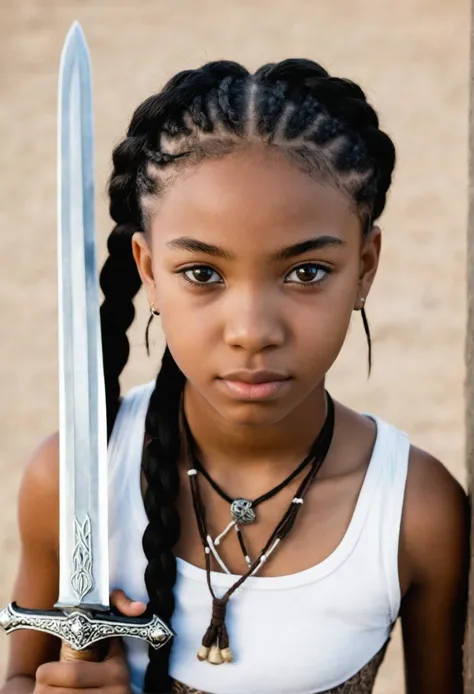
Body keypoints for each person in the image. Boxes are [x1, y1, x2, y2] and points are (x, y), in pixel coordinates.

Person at [0, 59, 469, 694]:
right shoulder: (71, 480)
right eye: (202, 273)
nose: (251, 329)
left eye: (305, 271)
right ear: (148, 270)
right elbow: (22, 674)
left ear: (364, 266)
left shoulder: (416, 512)